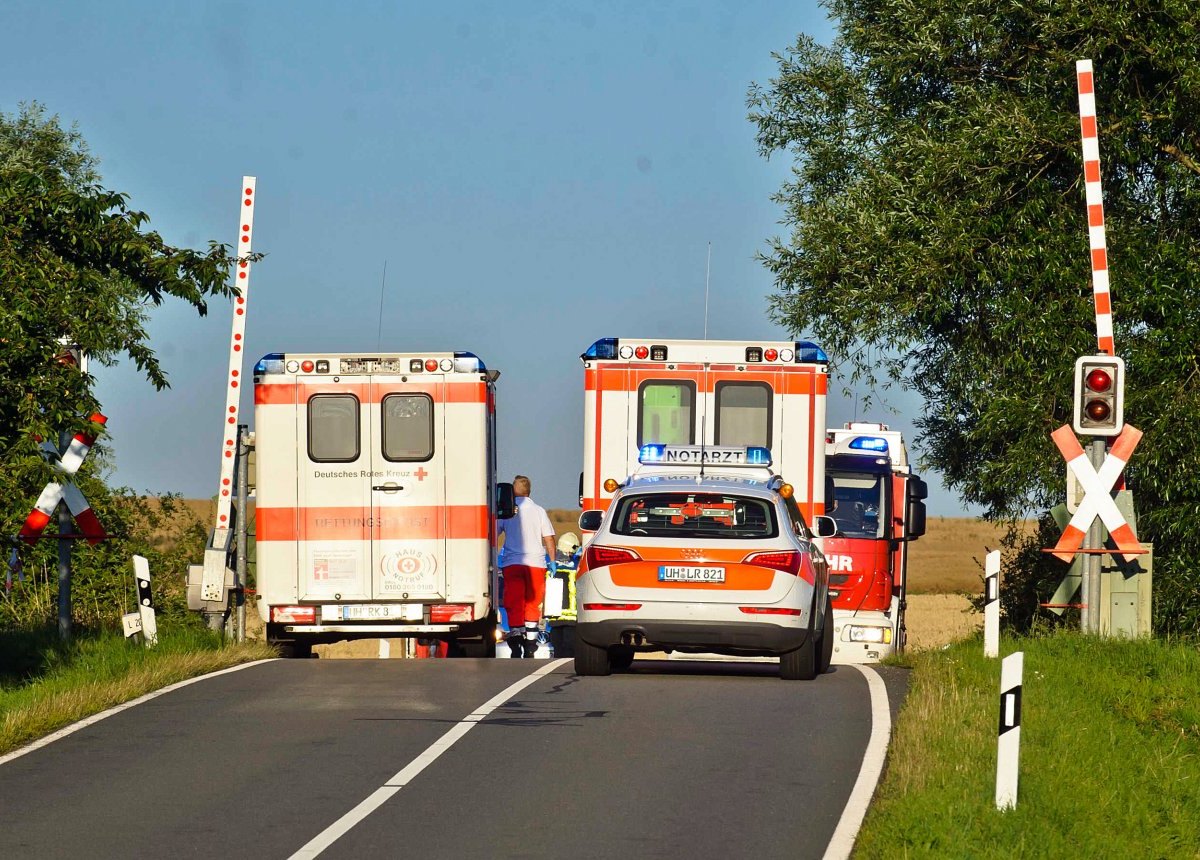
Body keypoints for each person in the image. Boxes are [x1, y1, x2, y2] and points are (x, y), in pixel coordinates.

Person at [496, 474, 556, 657]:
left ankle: (516, 638)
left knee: (514, 602)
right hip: (536, 564)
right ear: (529, 491)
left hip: (512, 563)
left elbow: (494, 533)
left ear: (513, 491)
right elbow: (549, 539)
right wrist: (552, 561)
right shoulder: (539, 511)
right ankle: (530, 643)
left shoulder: (507, 511)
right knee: (532, 602)